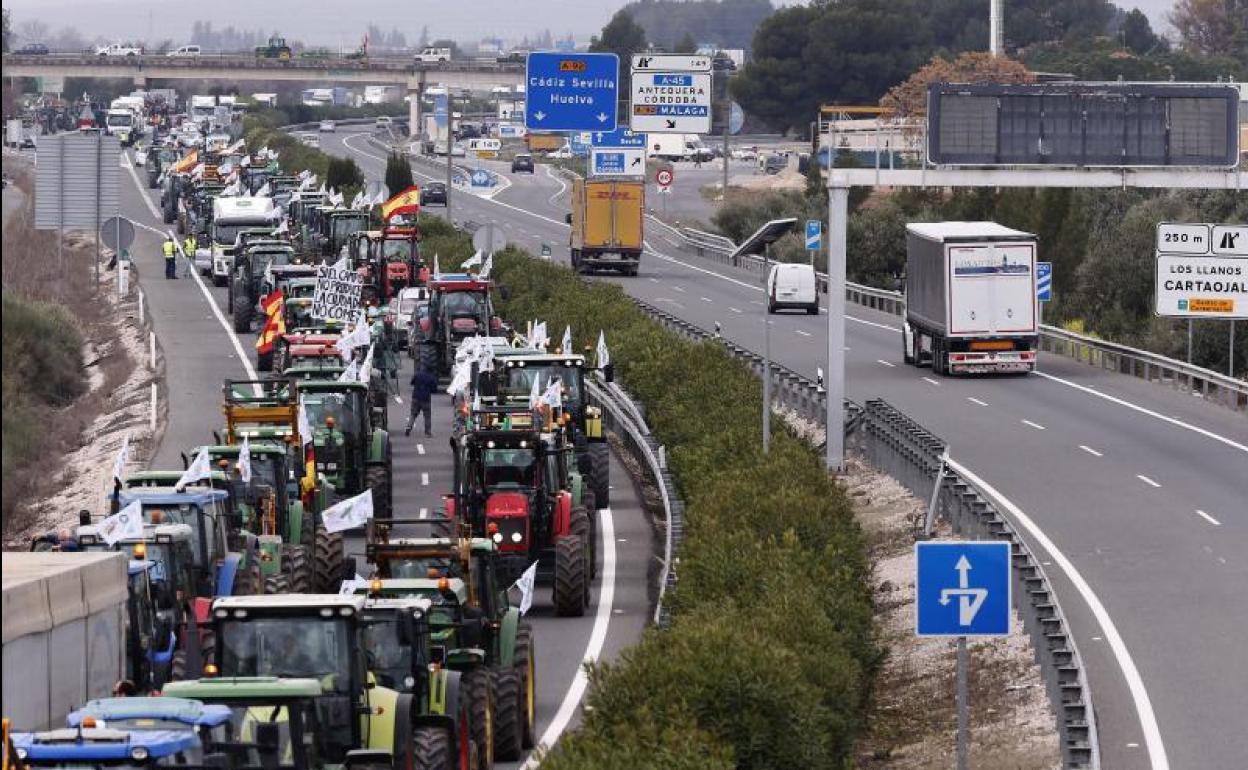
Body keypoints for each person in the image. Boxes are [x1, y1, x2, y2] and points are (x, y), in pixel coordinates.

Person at [406, 366, 437, 437]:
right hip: (426, 399)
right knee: (427, 416)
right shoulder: (431, 377)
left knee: (413, 414)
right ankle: (428, 432)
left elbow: (412, 382)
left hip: (416, 397)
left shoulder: (417, 374)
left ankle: (409, 427)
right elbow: (434, 389)